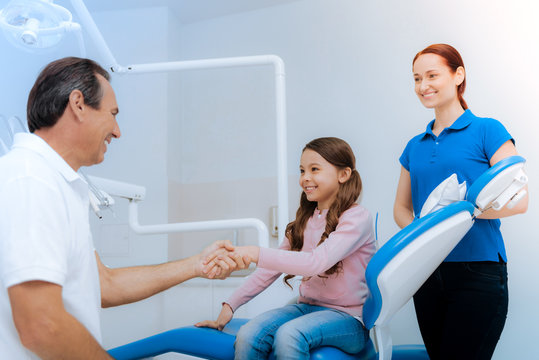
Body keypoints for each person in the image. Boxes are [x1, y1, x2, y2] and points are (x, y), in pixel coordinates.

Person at [0, 57, 249, 359]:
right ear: (78, 104)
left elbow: (103, 284)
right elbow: (41, 323)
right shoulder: (31, 178)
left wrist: (196, 265)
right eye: (112, 114)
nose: (117, 131)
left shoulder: (59, 183)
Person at [393, 44, 529, 360]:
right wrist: (424, 232)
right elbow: (402, 208)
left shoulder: (487, 130)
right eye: (416, 79)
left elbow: (519, 199)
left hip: (478, 272)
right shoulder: (414, 146)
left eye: (432, 75)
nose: (423, 86)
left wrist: (463, 214)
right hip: (426, 273)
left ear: (458, 75)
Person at [196, 137, 376, 359]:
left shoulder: (356, 218)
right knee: (248, 333)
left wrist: (255, 252)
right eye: (302, 170)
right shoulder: (305, 221)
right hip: (307, 308)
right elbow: (269, 269)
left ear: (343, 174)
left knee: (289, 334)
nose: (305, 178)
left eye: (314, 169)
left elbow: (315, 263)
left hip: (349, 319)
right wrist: (230, 306)